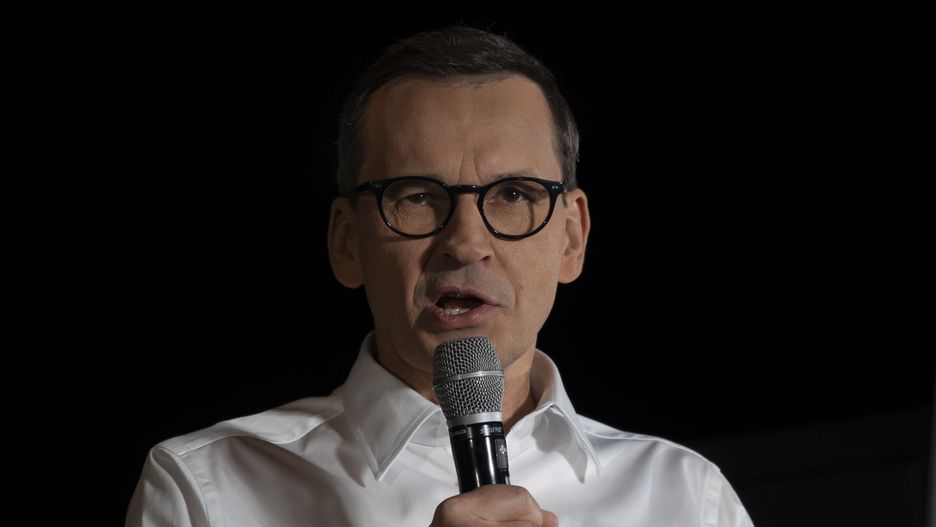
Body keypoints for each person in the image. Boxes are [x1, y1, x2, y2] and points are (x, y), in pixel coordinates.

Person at [126, 25, 754, 527]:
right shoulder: (206, 491)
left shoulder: (685, 497)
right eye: (418, 196)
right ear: (347, 242)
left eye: (513, 193)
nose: (466, 243)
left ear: (572, 237)